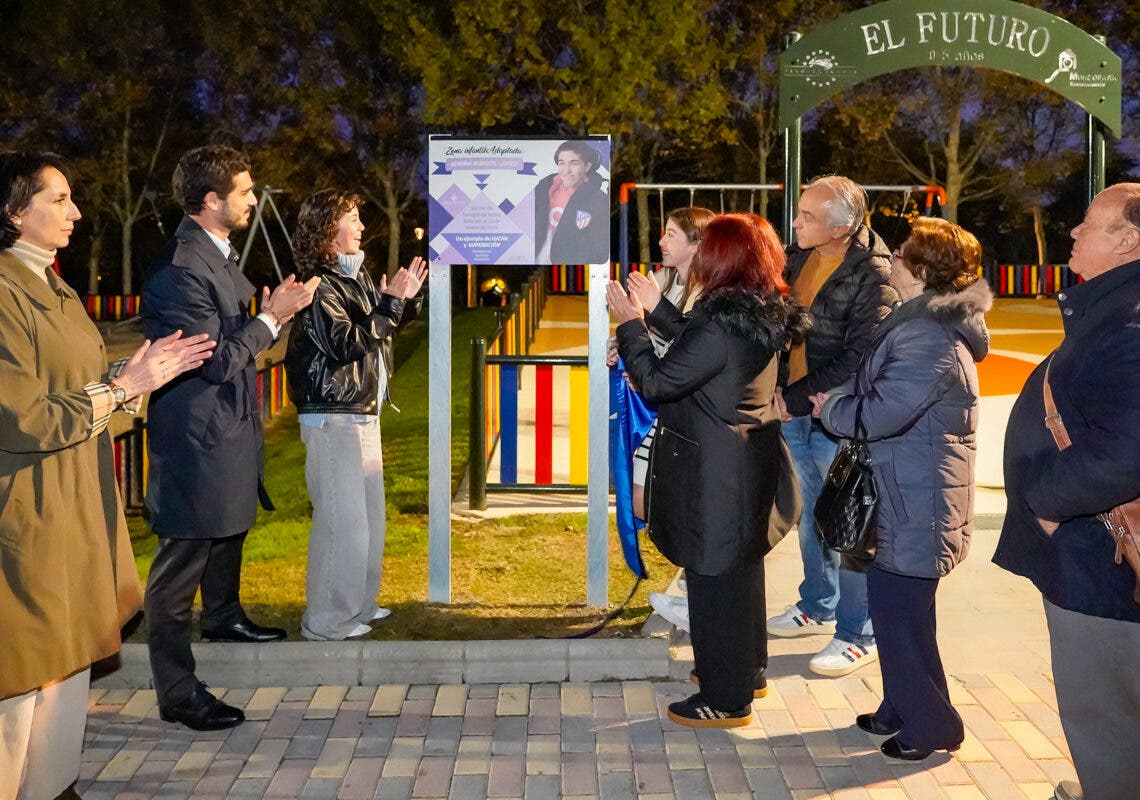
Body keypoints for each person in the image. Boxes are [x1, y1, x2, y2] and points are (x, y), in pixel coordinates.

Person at [0, 152, 214, 799]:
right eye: (59, 199)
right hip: (28, 507)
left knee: (66, 665)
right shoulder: (5, 292)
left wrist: (135, 383)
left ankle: (54, 786)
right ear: (14, 211)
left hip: (75, 502)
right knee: (23, 671)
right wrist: (122, 391)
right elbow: (21, 419)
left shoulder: (53, 287)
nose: (77, 212)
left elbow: (86, 387)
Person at [141, 145, 319, 731]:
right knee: (181, 563)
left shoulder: (214, 252)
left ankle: (223, 615)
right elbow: (215, 362)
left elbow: (231, 335)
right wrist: (273, 318)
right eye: (243, 191)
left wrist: (266, 317)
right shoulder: (181, 268)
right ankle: (176, 690)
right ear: (212, 200)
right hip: (197, 436)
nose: (251, 199)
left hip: (227, 423)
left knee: (230, 524)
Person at [608, 213, 808, 728]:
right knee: (741, 569)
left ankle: (726, 695)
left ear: (723, 258)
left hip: (716, 468)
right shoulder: (752, 309)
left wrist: (630, 323)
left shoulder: (721, 320)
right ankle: (746, 670)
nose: (698, 258)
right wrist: (657, 312)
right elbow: (700, 346)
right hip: (744, 459)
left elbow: (657, 381)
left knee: (714, 574)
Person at [812, 217, 991, 761]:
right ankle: (902, 706)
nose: (890, 261)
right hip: (908, 491)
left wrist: (833, 408)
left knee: (901, 618)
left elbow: (886, 410)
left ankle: (933, 725)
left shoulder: (926, 334)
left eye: (901, 255)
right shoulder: (923, 325)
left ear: (920, 270)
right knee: (899, 617)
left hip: (914, 501)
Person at [993, 183, 1140, 800]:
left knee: (1103, 715)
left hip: (1100, 561)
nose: (1074, 233)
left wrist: (1046, 502)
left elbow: (1129, 449)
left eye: (1088, 224)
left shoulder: (1127, 322)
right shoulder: (1113, 308)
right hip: (1093, 549)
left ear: (1128, 239)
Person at [770, 175, 898, 678]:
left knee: (848, 524)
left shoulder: (874, 273)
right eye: (799, 213)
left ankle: (857, 633)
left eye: (807, 217)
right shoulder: (797, 254)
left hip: (833, 413)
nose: (796, 222)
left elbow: (860, 355)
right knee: (810, 518)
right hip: (794, 408)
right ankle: (817, 604)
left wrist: (797, 399)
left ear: (841, 228)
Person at [284, 189, 426, 641]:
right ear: (328, 228)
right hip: (333, 415)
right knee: (340, 521)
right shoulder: (318, 284)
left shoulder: (356, 275)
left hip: (361, 410)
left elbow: (379, 330)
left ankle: (359, 605)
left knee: (367, 519)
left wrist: (406, 299)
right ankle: (326, 620)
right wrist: (391, 304)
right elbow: (346, 343)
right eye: (352, 218)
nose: (362, 226)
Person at [533, 140, 609, 265]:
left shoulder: (598, 200)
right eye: (561, 163)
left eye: (574, 163)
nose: (566, 170)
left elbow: (599, 248)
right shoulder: (543, 189)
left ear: (587, 166)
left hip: (571, 270)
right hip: (536, 264)